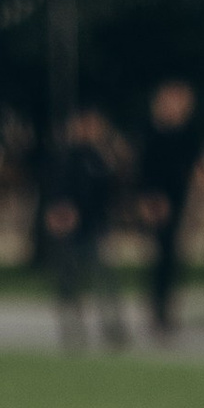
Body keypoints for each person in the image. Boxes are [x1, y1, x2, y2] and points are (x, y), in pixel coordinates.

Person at [42, 111, 126, 350]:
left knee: (104, 280)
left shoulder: (99, 159)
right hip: (71, 228)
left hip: (95, 227)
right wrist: (59, 213)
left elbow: (108, 194)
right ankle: (72, 328)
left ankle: (112, 328)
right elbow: (56, 191)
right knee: (70, 280)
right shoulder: (64, 158)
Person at [136, 79, 201, 339]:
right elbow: (145, 168)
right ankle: (157, 309)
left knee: (172, 256)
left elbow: (190, 168)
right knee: (159, 255)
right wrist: (149, 199)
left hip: (177, 199)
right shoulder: (151, 132)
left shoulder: (187, 133)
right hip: (155, 199)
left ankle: (166, 307)